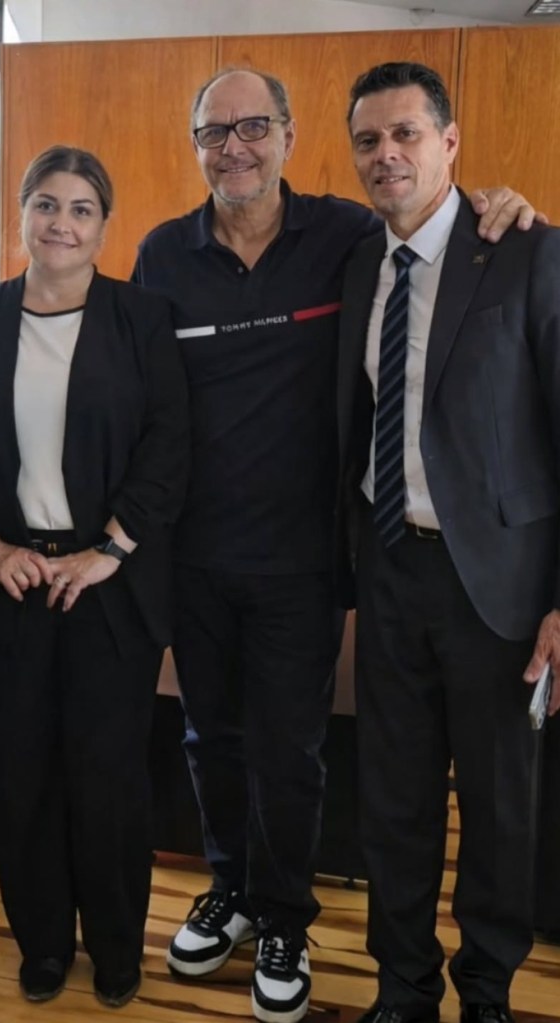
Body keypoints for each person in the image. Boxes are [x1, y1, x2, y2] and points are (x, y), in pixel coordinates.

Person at [131, 67, 540, 1023]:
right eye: (215, 130)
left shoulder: (352, 238)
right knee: (220, 741)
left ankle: (295, 918)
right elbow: (145, 401)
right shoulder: (169, 254)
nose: (236, 145)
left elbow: (440, 231)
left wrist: (499, 202)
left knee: (299, 751)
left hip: (327, 558)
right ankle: (249, 897)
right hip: (225, 555)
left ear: (287, 132)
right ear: (196, 144)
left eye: (255, 126)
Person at [336, 61, 560, 1023]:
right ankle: (403, 985)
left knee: (501, 806)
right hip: (389, 569)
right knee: (394, 797)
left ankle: (488, 987)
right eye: (369, 141)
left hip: (499, 585)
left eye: (406, 135)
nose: (387, 155)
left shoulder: (526, 249)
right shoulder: (357, 261)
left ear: (450, 142)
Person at [0, 145, 189, 1008]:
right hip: (10, 579)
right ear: (21, 212)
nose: (62, 222)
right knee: (22, 775)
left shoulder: (144, 316)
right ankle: (44, 944)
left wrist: (113, 550)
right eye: (47, 204)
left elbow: (170, 447)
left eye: (82, 208)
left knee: (109, 777)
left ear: (105, 224)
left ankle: (118, 945)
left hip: (109, 587)